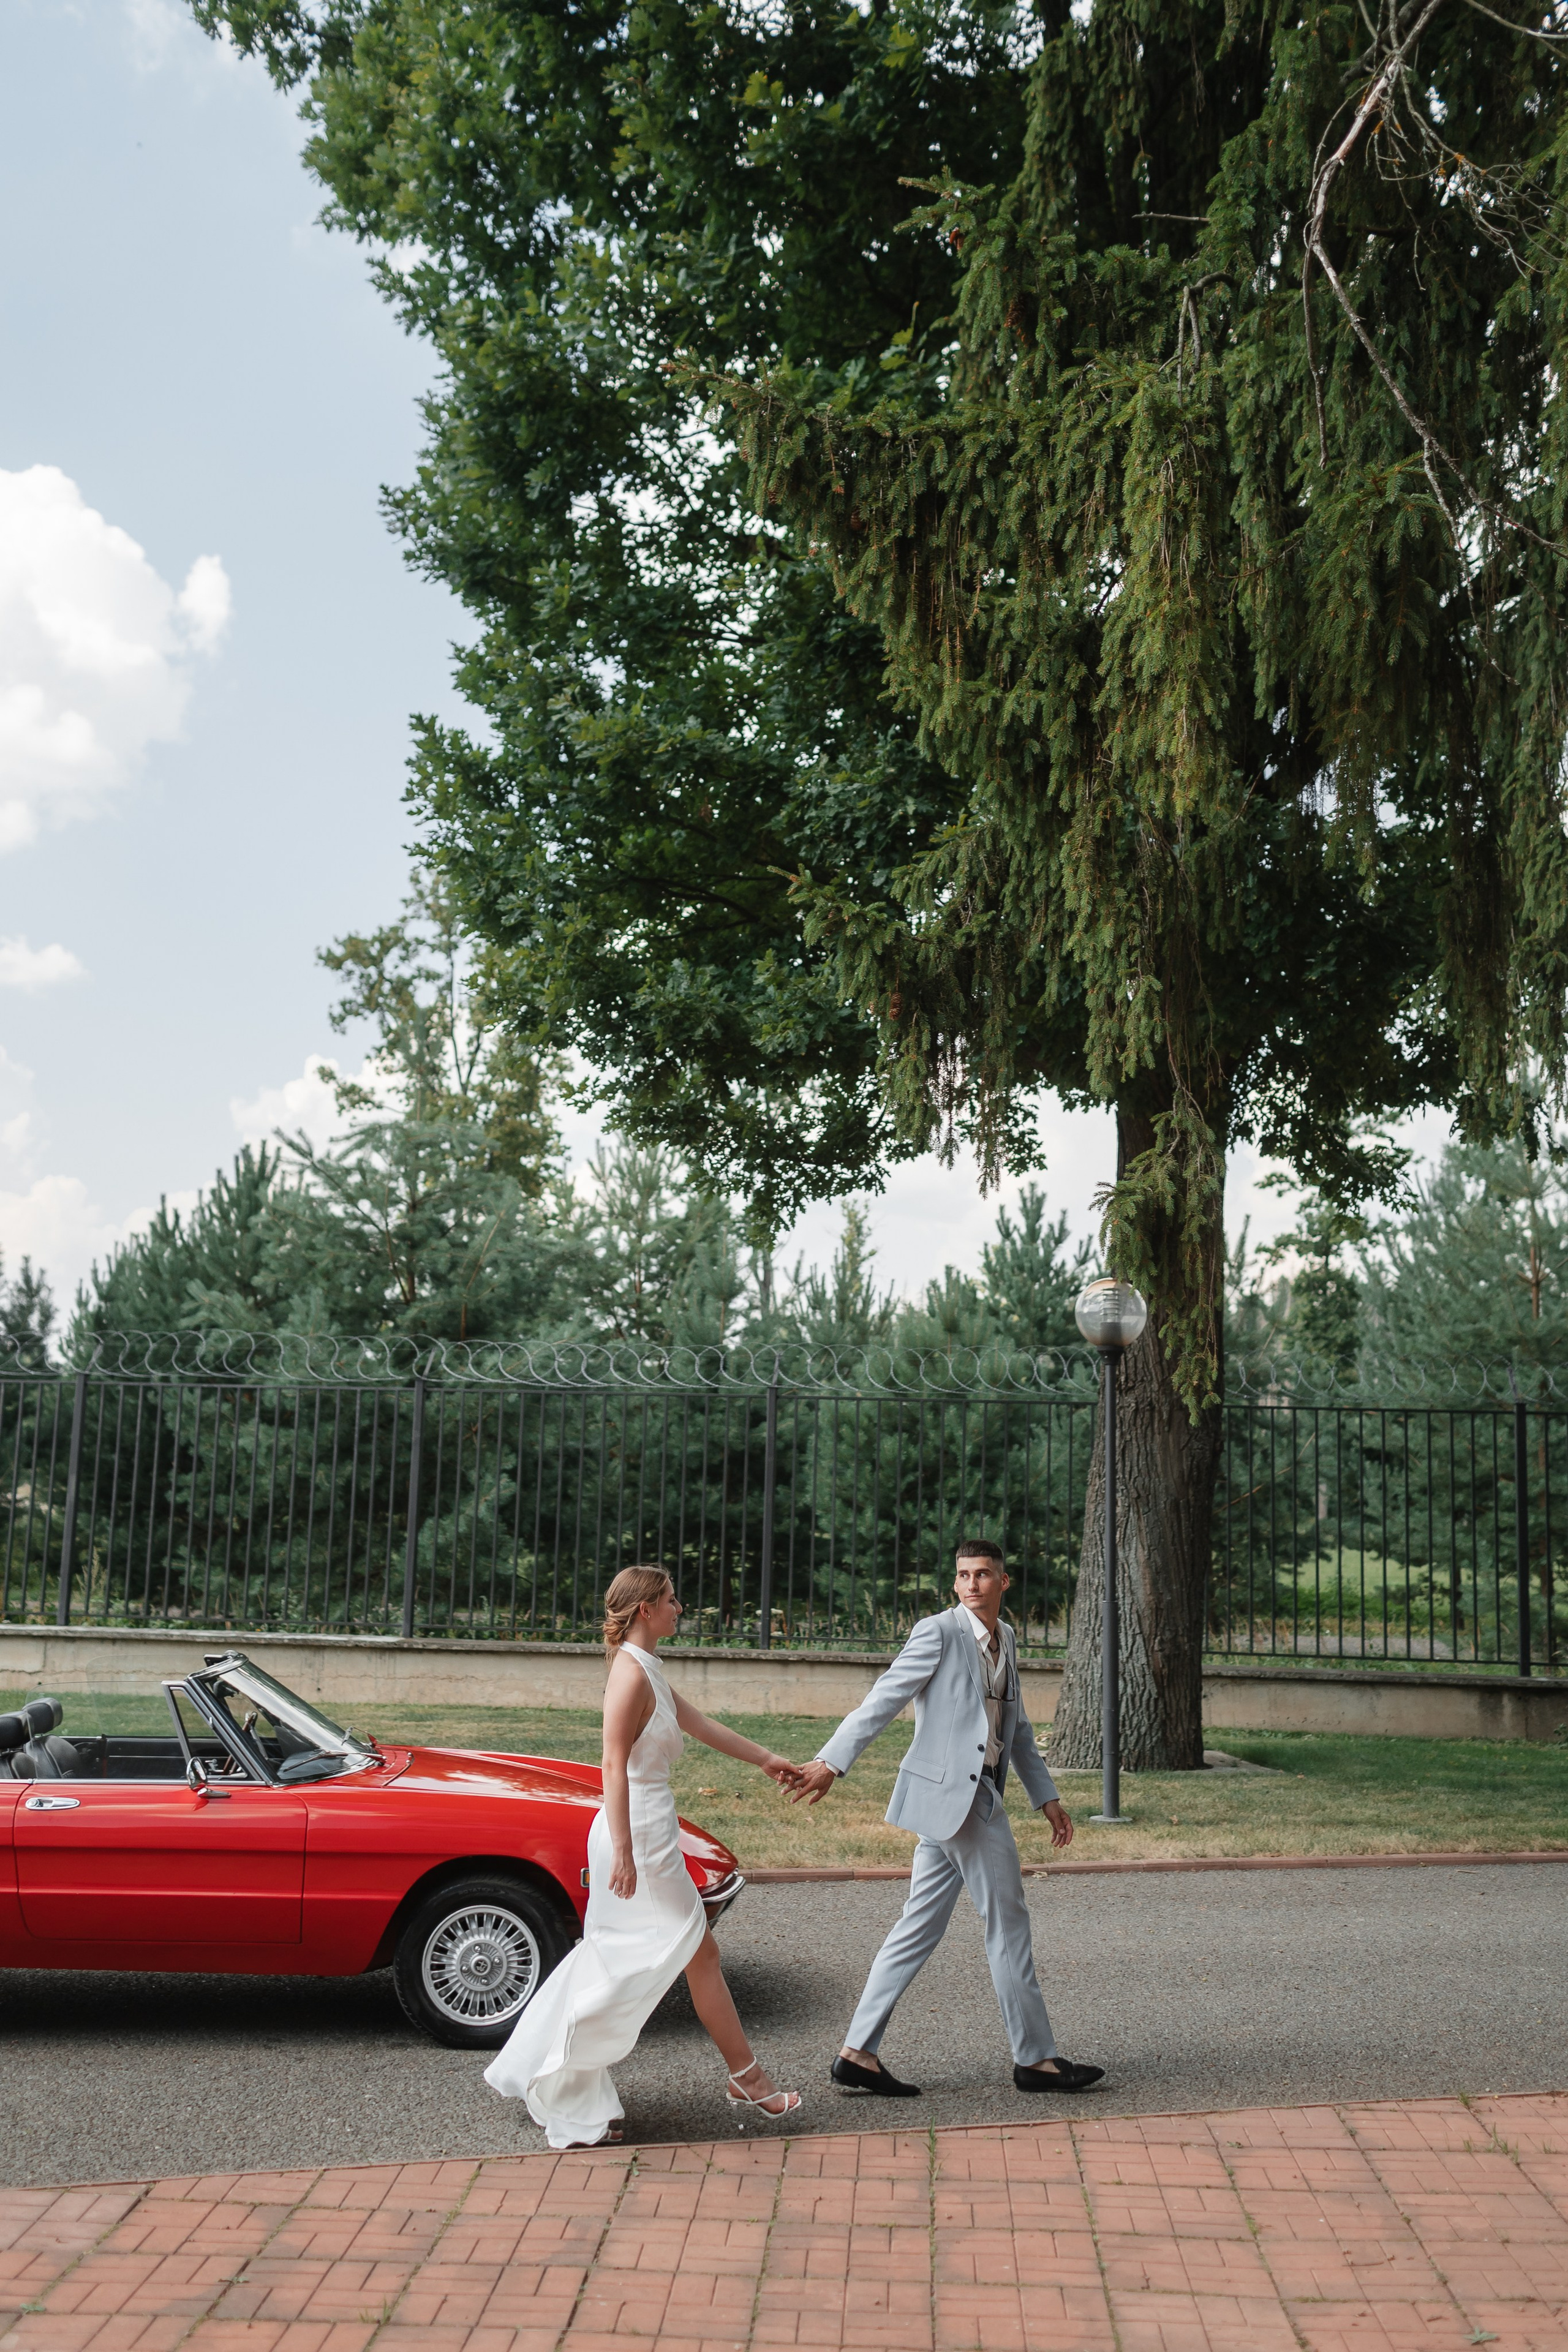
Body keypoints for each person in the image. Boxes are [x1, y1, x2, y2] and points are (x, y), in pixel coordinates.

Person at [484, 1564, 804, 2148]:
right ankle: (745, 2081)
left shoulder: (647, 1668)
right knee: (687, 1953)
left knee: (672, 1955)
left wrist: (766, 1758)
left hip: (648, 1828)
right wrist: (626, 1853)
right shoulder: (629, 1677)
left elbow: (700, 1723)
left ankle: (731, 2079)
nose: (679, 1608)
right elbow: (612, 1763)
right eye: (672, 1600)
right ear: (644, 1611)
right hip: (638, 1835)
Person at [792, 1537, 1104, 2097]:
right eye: (963, 1575)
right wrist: (831, 1763)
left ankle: (857, 2053)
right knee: (1008, 1927)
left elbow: (1019, 1729)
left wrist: (1046, 1797)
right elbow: (883, 1699)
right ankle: (1036, 2060)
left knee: (917, 1927)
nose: (972, 1584)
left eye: (983, 1574)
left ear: (1003, 1583)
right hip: (963, 1803)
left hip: (966, 1798)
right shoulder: (937, 1632)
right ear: (955, 1583)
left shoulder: (1005, 1638)